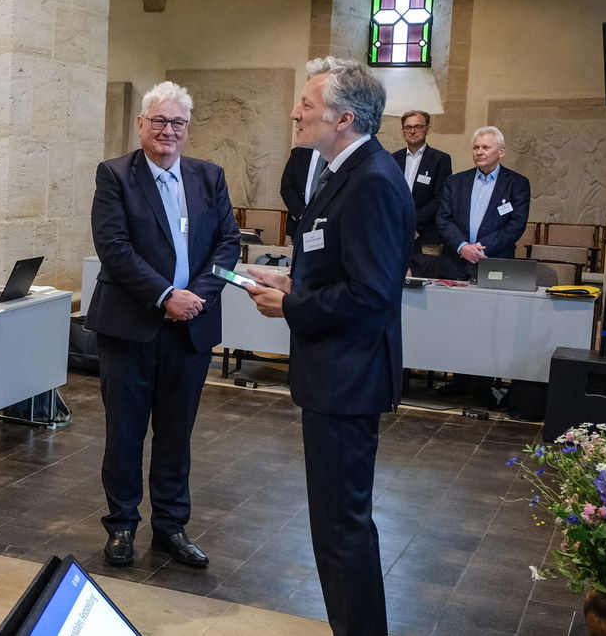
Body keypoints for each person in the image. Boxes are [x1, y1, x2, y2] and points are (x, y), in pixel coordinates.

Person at [244, 56, 411, 636]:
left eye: (307, 105)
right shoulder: (344, 170)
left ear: (343, 118)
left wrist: (292, 306)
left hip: (349, 377)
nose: (296, 112)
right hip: (334, 374)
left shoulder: (371, 179)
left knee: (342, 528)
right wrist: (295, 283)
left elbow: (372, 294)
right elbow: (343, 268)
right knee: (335, 526)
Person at [89, 82, 240, 571]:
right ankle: (122, 526)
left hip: (190, 329)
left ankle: (171, 526)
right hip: (132, 326)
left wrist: (196, 299)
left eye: (177, 123)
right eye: (158, 121)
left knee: (177, 434)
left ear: (188, 129)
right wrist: (164, 297)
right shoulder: (115, 175)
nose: (168, 131)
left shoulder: (209, 176)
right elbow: (114, 248)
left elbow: (227, 245)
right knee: (125, 433)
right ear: (141, 125)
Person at [434, 126, 530, 281]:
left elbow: (516, 224)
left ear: (501, 151)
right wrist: (462, 246)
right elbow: (443, 219)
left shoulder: (517, 183)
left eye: (485, 147)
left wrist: (481, 249)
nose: (479, 152)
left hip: (495, 262)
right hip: (454, 263)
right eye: (475, 147)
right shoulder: (455, 182)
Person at [393, 110, 452, 275]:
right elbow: (388, 197)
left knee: (425, 285)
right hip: (397, 233)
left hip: (425, 234)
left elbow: (439, 198)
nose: (412, 131)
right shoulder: (393, 159)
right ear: (402, 131)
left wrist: (413, 224)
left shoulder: (440, 159)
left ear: (428, 129)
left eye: (418, 126)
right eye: (408, 127)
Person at [278, 146, 322, 238]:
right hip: (299, 224)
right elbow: (287, 187)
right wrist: (303, 215)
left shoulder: (337, 154)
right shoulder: (299, 153)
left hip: (325, 225)